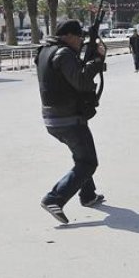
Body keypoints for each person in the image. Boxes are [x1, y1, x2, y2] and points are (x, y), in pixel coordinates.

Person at [35, 19, 107, 224]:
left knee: (80, 156)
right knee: (88, 162)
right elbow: (82, 81)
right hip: (68, 119)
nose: (81, 41)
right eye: (79, 37)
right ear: (67, 36)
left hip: (53, 118)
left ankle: (88, 195)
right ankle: (54, 198)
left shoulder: (44, 51)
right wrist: (97, 61)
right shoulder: (64, 54)